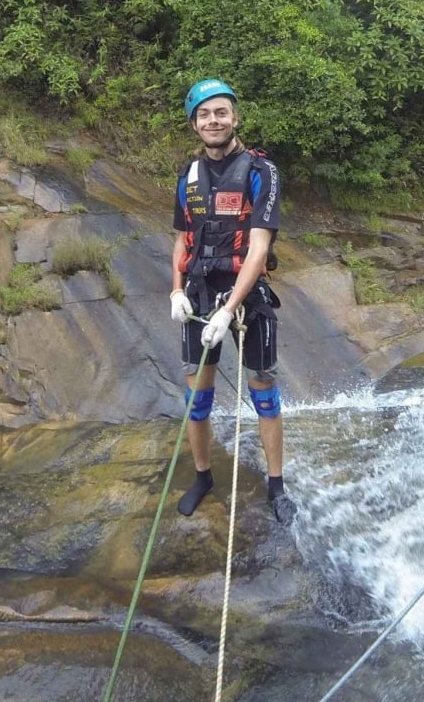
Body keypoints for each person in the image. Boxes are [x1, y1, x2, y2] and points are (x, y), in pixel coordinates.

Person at [169, 78, 292, 522]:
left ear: (235, 118)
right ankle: (203, 476)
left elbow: (259, 247)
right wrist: (175, 290)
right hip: (199, 293)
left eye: (221, 112)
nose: (213, 120)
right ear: (194, 124)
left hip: (246, 296)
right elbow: (182, 239)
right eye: (204, 114)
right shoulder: (188, 177)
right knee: (197, 399)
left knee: (264, 392)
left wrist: (228, 309)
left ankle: (276, 485)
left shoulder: (261, 172)